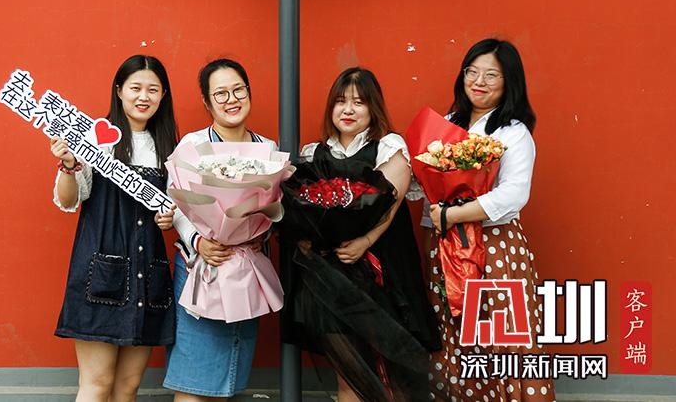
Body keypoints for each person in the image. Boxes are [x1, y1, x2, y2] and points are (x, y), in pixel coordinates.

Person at [285, 67, 440, 402]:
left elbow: (389, 205)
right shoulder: (314, 153)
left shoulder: (388, 146)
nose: (348, 109)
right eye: (340, 101)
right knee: (351, 375)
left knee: (394, 374)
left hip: (383, 271)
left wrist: (364, 242)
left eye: (358, 102)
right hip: (332, 279)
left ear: (373, 107)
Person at [423, 39, 555, 401]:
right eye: (472, 71)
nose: (478, 81)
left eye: (491, 75)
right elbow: (428, 185)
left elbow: (514, 194)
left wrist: (454, 214)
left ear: (509, 81)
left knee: (502, 330)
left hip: (494, 246)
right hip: (447, 246)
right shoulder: (447, 123)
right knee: (453, 331)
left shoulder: (513, 132)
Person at [50, 55, 179, 402]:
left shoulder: (169, 147)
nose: (144, 97)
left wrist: (169, 217)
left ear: (163, 95)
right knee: (97, 385)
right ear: (119, 90)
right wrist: (68, 165)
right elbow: (69, 200)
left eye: (153, 89)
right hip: (100, 276)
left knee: (128, 387)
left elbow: (176, 208)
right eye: (136, 88)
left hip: (148, 276)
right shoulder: (93, 138)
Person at [163, 58, 274, 401]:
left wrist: (262, 234)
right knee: (193, 380)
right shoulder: (193, 145)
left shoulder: (267, 148)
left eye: (238, 90)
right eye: (221, 93)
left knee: (229, 377)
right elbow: (175, 203)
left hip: (244, 269)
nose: (232, 100)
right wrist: (198, 241)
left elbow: (273, 206)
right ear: (207, 102)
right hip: (202, 267)